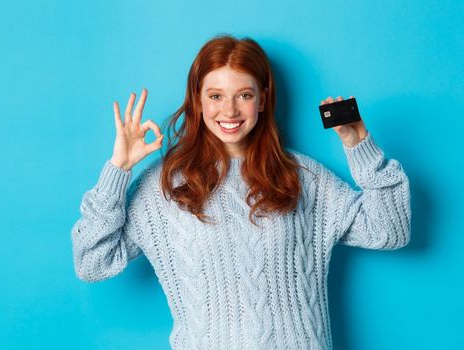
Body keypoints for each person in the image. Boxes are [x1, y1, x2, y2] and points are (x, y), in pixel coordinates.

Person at [70, 34, 411, 350]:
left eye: (244, 95)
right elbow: (92, 263)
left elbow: (390, 230)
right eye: (215, 96)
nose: (229, 111)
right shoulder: (165, 186)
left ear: (263, 99)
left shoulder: (304, 177)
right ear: (198, 101)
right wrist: (118, 169)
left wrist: (358, 145)